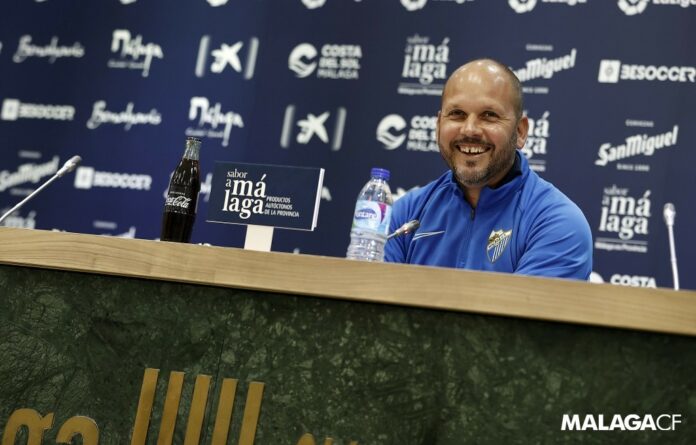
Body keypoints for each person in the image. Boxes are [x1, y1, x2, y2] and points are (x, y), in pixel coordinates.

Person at [385, 59, 592, 280]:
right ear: (438, 126)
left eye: (489, 116)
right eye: (457, 114)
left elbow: (517, 313)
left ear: (520, 132)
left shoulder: (558, 223)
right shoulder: (406, 215)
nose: (470, 129)